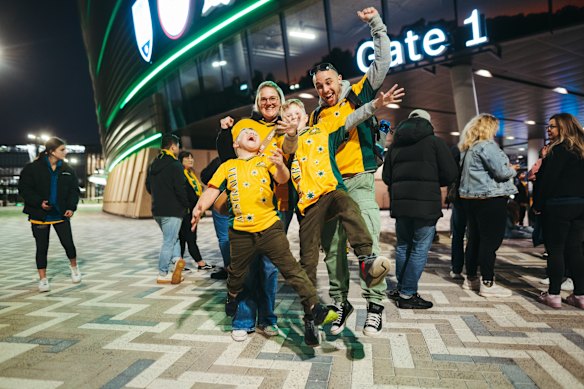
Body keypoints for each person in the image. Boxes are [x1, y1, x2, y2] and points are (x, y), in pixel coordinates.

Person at [191, 127, 338, 342]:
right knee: (236, 274)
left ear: (259, 144)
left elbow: (282, 178)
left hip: (270, 228)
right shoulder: (227, 166)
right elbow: (212, 190)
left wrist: (279, 164)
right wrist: (199, 207)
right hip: (241, 233)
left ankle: (315, 306)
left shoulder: (265, 160)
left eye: (254, 132)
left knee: (292, 269)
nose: (251, 131)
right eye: (245, 132)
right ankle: (231, 296)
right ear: (236, 144)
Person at [284, 85, 399, 343]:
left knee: (349, 206)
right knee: (309, 258)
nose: (292, 119)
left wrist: (376, 105)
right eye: (287, 116)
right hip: (310, 206)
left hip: (332, 191)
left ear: (306, 115)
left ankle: (367, 259)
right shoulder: (286, 142)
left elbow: (352, 119)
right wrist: (290, 134)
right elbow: (289, 147)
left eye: (296, 114)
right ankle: (311, 313)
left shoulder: (324, 131)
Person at [308, 6, 392, 337]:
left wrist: (375, 25)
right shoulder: (314, 118)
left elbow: (381, 63)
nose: (325, 89)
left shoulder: (356, 96)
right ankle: (341, 303)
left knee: (368, 243)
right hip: (329, 189)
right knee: (331, 252)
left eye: (329, 82)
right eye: (319, 85)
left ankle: (375, 305)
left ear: (339, 80)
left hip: (357, 182)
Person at [214, 81, 297, 341]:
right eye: (264, 99)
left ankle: (268, 317)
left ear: (280, 101)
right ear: (257, 102)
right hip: (248, 207)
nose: (269, 103)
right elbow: (227, 155)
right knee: (248, 263)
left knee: (270, 266)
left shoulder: (289, 126)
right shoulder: (244, 125)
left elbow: (295, 161)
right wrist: (224, 132)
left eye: (273, 98)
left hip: (279, 204)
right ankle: (244, 318)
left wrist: (293, 133)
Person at [382, 109, 458, 309]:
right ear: (428, 123)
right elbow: (450, 174)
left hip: (401, 204)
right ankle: (407, 294)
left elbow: (387, 177)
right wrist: (433, 181)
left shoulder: (395, 146)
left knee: (403, 245)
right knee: (419, 249)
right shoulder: (436, 143)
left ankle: (401, 288)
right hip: (426, 205)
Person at [457, 114, 518, 297]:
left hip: (470, 199)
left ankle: (471, 279)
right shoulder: (487, 145)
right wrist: (512, 169)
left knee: (474, 239)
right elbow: (501, 172)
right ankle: (488, 283)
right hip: (490, 199)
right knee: (490, 241)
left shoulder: (468, 148)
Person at [533, 113, 584, 309]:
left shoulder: (557, 151)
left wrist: (537, 205)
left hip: (557, 206)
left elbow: (546, 182)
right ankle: (580, 295)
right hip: (580, 206)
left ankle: (553, 294)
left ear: (564, 128)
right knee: (575, 250)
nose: (549, 130)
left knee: (556, 250)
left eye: (553, 126)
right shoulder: (581, 151)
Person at [19, 137, 81, 292]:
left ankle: (74, 268)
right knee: (41, 248)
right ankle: (43, 279)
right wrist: (39, 202)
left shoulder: (67, 170)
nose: (66, 152)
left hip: (61, 215)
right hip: (40, 215)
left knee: (68, 244)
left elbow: (74, 191)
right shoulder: (32, 168)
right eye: (62, 149)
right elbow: (25, 190)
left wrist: (71, 207)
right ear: (52, 152)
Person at [145, 134, 187, 284]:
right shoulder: (175, 165)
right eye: (178, 146)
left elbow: (148, 186)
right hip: (173, 210)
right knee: (169, 241)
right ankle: (162, 273)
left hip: (157, 209)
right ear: (173, 146)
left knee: (172, 237)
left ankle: (176, 261)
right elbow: (180, 189)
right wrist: (185, 204)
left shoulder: (153, 163)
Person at [177, 151, 215, 271]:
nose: (190, 160)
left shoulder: (190, 174)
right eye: (187, 158)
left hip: (189, 211)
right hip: (185, 211)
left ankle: (179, 263)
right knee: (190, 237)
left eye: (191, 158)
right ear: (181, 160)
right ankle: (200, 262)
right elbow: (185, 194)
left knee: (183, 237)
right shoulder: (180, 175)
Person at [201, 157, 230, 280]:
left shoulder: (221, 161)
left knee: (224, 237)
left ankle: (228, 269)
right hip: (244, 203)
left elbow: (205, 176)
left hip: (220, 201)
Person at [448, 144, 466, 280]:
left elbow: (449, 173)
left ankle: (456, 268)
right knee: (474, 235)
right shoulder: (482, 149)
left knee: (458, 234)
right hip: (475, 197)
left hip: (459, 196)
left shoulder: (457, 150)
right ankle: (471, 268)